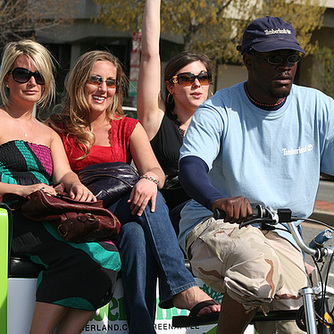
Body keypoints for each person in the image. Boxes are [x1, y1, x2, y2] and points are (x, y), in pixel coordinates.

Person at [177, 16, 334, 334]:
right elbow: (191, 166)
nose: (285, 66)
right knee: (256, 268)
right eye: (273, 57)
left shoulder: (316, 106)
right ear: (248, 60)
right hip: (218, 224)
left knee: (295, 315)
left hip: (283, 233)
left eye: (291, 57)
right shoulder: (219, 110)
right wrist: (218, 199)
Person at [48, 50, 219, 333]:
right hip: (84, 215)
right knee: (149, 207)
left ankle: (142, 328)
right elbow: (60, 174)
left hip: (121, 217)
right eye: (95, 80)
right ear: (79, 82)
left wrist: (148, 180)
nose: (104, 88)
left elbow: (157, 172)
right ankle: (180, 286)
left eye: (111, 82)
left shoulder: (127, 126)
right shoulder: (58, 127)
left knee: (138, 229)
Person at [0, 40, 120, 334]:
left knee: (109, 255)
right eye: (22, 74)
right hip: (12, 216)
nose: (32, 82)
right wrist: (21, 191)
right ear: (6, 79)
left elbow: (65, 174)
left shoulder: (48, 133)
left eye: (39, 76)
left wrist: (76, 186)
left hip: (45, 213)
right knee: (77, 257)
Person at [137, 0, 213, 230]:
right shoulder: (156, 119)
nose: (197, 84)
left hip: (210, 215)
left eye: (203, 77)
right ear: (170, 86)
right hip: (168, 218)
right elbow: (150, 55)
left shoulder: (218, 124)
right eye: (187, 79)